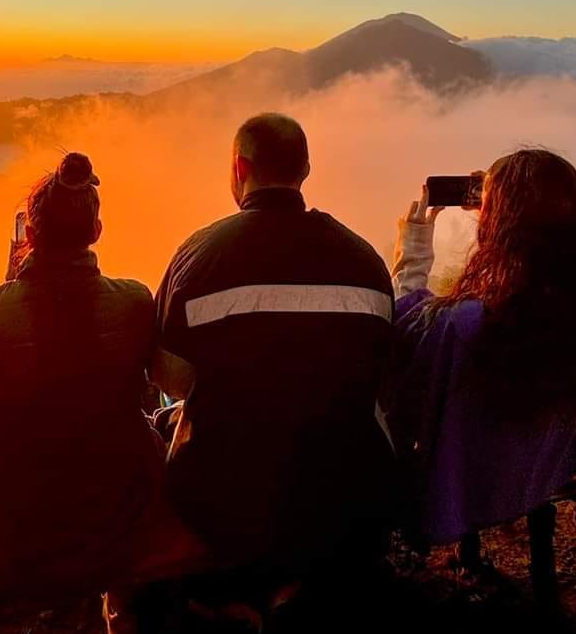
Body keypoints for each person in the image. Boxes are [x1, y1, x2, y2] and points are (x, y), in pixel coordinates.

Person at [154, 113, 396, 570]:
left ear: (240, 169)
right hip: (346, 496)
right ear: (305, 170)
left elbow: (170, 376)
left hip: (226, 503)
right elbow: (381, 373)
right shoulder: (364, 260)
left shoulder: (198, 254)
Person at [0, 152, 163, 615]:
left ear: (29, 233)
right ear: (96, 231)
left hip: (20, 545)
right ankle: (123, 617)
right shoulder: (134, 302)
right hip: (122, 532)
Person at [386, 148, 576, 545]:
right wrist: (500, 216)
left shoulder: (467, 325)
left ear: (503, 226)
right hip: (540, 472)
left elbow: (403, 341)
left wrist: (414, 253)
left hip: (471, 487)